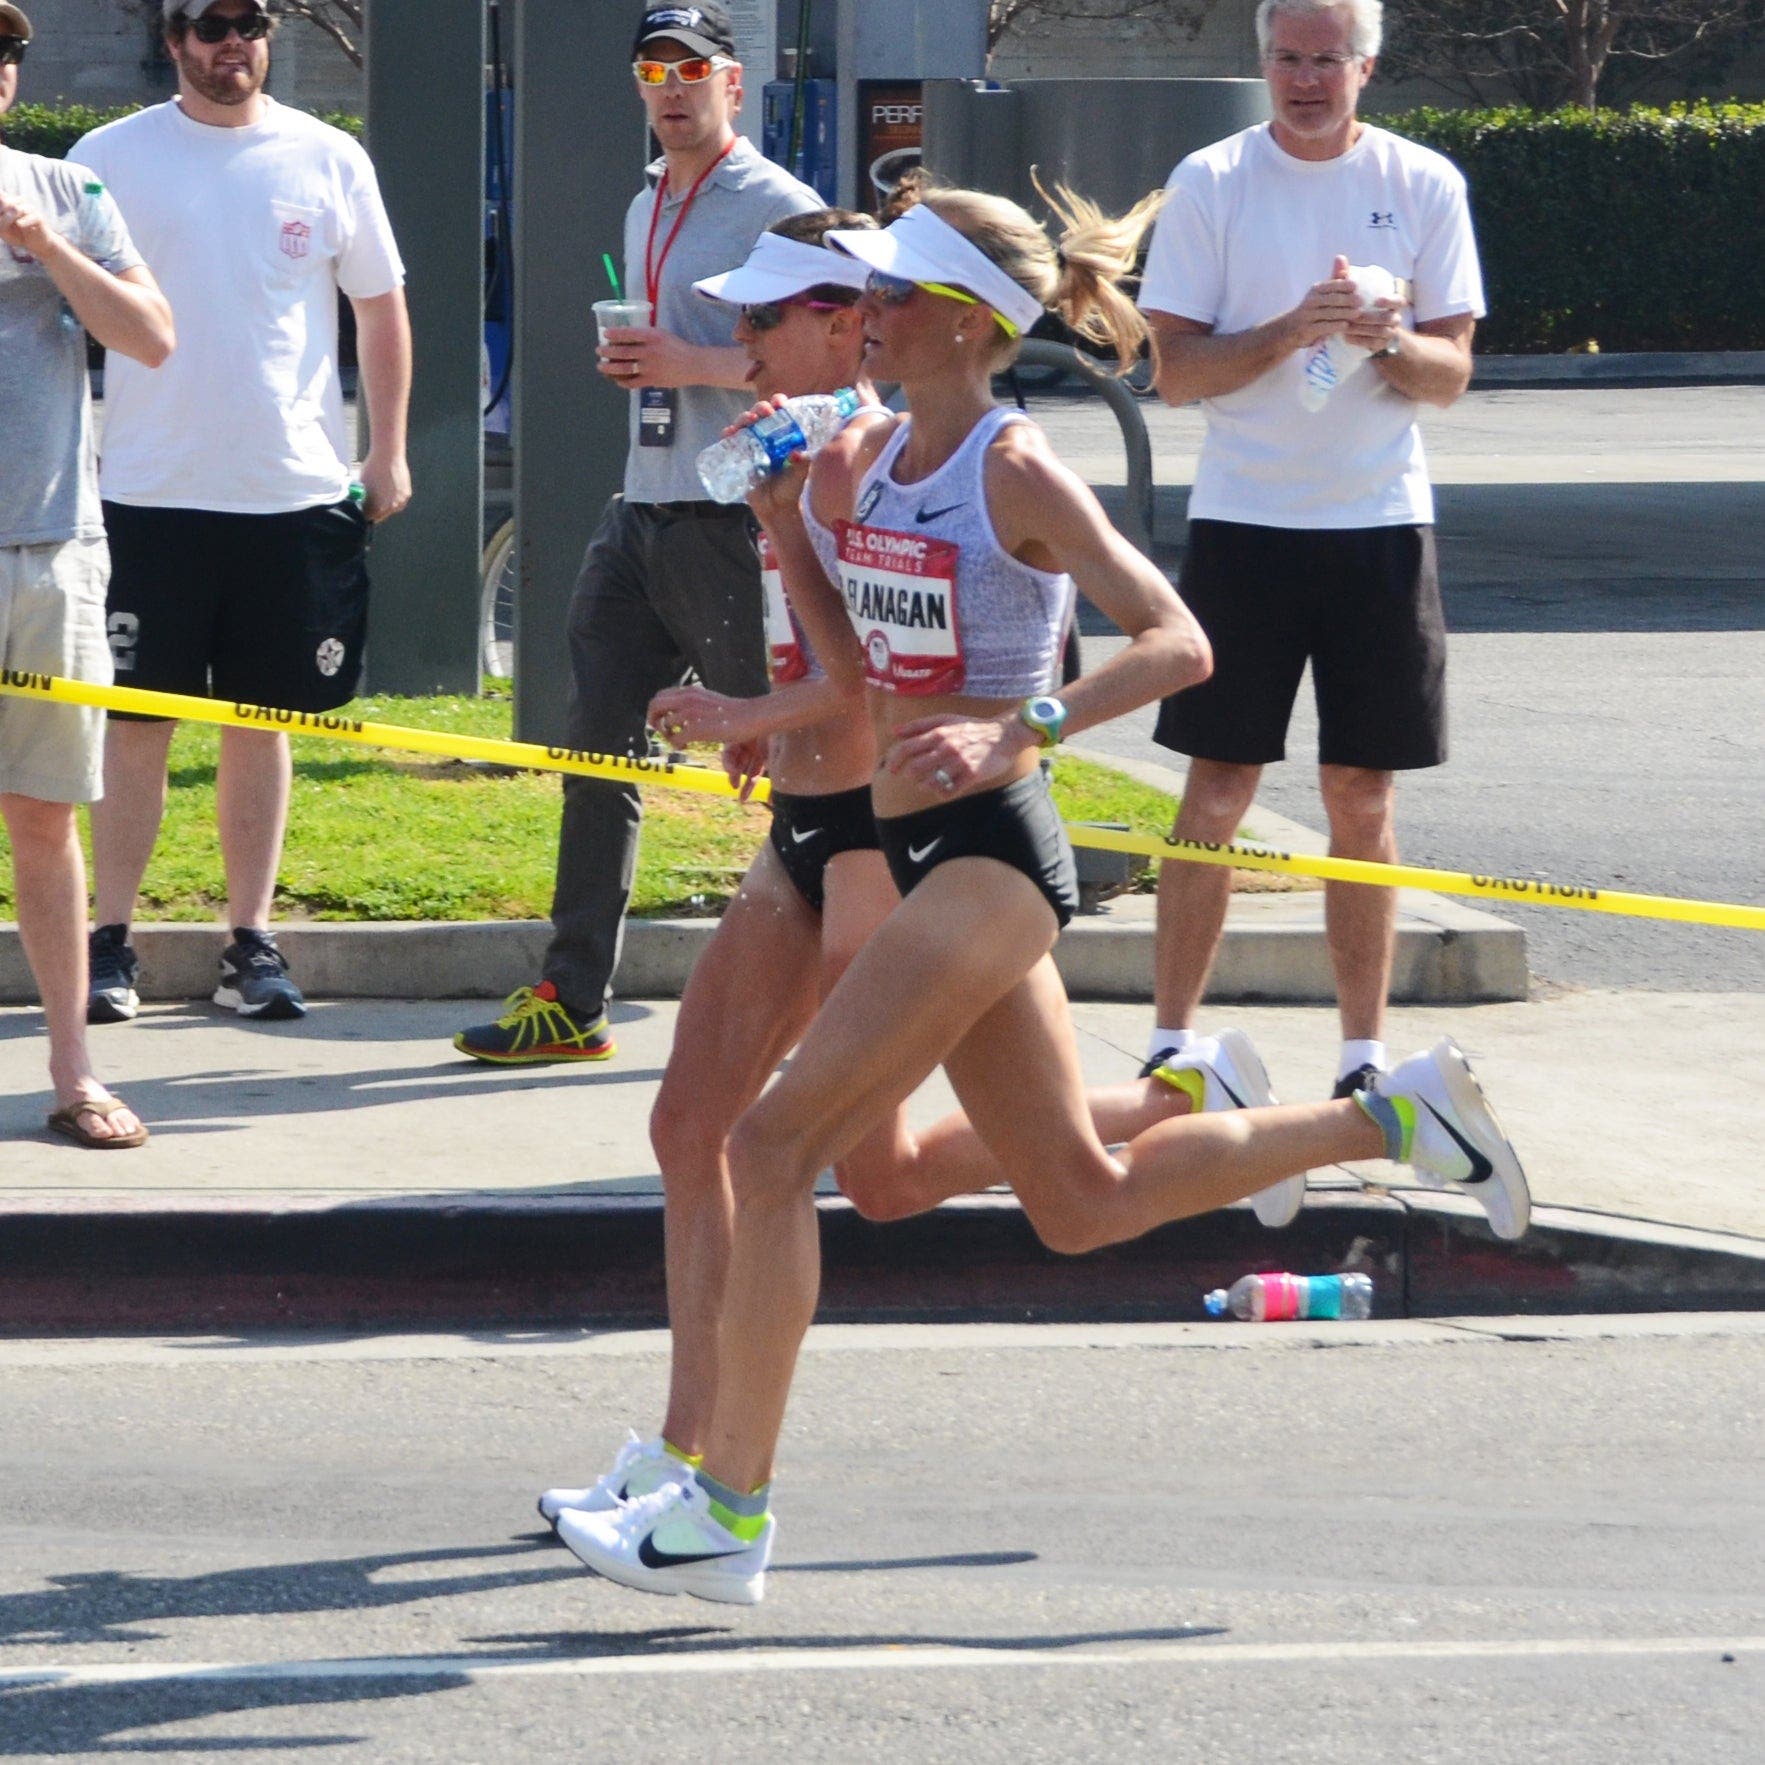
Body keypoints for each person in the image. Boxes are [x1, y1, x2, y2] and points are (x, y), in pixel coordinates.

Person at [551, 183, 1530, 1606]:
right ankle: (1392, 1115)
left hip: (994, 855)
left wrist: (1030, 727)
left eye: (885, 296)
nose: (860, 314)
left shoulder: (1012, 467)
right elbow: (867, 664)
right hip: (908, 836)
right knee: (1079, 1197)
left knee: (771, 1151)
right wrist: (781, 533)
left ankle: (726, 1510)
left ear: (957, 322)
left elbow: (1177, 641)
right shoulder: (876, 452)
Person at [453, 2, 821, 1067]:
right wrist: (645, 365)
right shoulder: (647, 198)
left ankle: (842, 990)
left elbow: (831, 365)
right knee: (592, 748)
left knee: (799, 756)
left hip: (733, 517)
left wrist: (687, 365)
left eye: (691, 69)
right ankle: (571, 997)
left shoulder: (780, 207)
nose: (671, 88)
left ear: (733, 85)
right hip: (640, 505)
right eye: (653, 69)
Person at [1137, 0, 1485, 1099]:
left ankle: (1362, 1055)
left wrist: (1386, 337)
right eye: (1286, 58)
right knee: (1218, 781)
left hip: (1377, 520)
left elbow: (1451, 376)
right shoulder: (1212, 180)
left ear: (1366, 67)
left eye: (1325, 60)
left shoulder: (1423, 183)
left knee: (1360, 792)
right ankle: (1171, 1038)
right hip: (1244, 521)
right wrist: (1291, 328)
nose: (1304, 79)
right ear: (1262, 62)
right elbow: (1176, 373)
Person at [72, 0, 410, 1025]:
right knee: (136, 729)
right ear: (172, 40)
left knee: (262, 725)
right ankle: (109, 941)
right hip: (146, 492)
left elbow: (380, 306)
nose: (234, 45)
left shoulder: (326, 157)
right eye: (210, 26)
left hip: (291, 494)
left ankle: (249, 942)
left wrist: (385, 450)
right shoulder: (107, 156)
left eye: (250, 23)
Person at [1, 2, 174, 1145]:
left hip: (50, 546)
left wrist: (48, 252)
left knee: (43, 820)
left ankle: (73, 1072)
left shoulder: (69, 193)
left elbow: (152, 335)